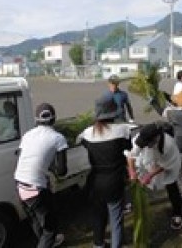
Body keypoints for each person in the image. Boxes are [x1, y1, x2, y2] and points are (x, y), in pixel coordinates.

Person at [77, 94, 132, 248]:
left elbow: (81, 142)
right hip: (114, 180)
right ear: (113, 113)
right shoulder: (122, 130)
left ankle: (98, 245)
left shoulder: (88, 133)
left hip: (95, 181)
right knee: (116, 219)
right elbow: (128, 152)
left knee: (98, 216)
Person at [14, 103, 68, 248]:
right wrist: (52, 169)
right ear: (54, 119)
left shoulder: (27, 135)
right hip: (36, 188)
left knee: (35, 219)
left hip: (19, 184)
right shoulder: (58, 138)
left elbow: (21, 156)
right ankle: (48, 241)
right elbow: (62, 170)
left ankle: (47, 242)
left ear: (36, 120)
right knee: (50, 228)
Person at [125, 122, 182, 230]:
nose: (146, 145)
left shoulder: (168, 144)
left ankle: (177, 214)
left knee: (171, 186)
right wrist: (132, 172)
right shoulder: (140, 139)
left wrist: (150, 175)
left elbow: (166, 165)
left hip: (167, 165)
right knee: (137, 184)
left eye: (148, 143)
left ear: (156, 138)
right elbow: (131, 156)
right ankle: (134, 204)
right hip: (147, 161)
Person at [150, 89, 182, 202]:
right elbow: (175, 103)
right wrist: (164, 94)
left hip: (180, 150)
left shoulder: (177, 114)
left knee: (172, 174)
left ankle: (177, 198)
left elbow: (162, 111)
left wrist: (153, 100)